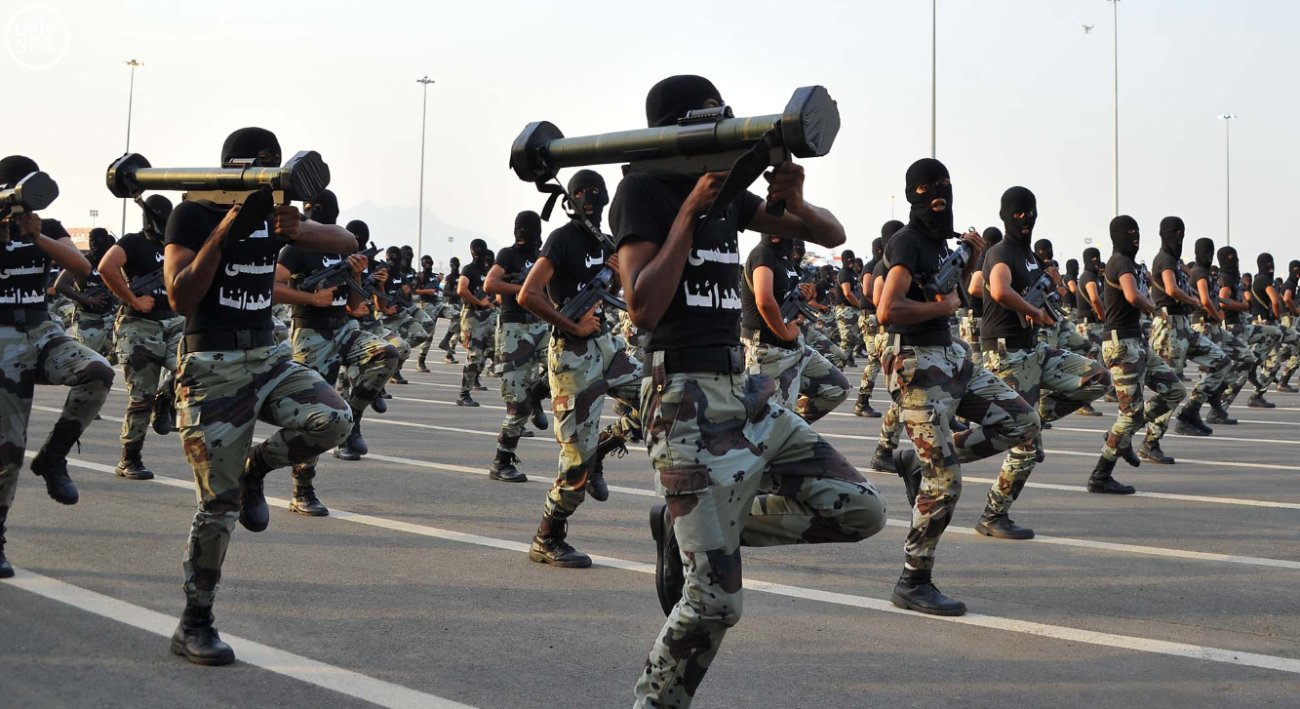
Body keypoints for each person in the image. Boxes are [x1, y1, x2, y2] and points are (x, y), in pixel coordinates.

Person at [616, 76, 886, 708]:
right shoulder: (642, 192)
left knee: (860, 509)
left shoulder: (732, 198)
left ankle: (693, 530)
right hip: (681, 396)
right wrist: (690, 211)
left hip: (748, 392)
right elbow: (644, 305)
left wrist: (797, 198)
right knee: (714, 603)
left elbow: (830, 235)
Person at [162, 128, 356, 665]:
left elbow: (347, 243)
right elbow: (180, 297)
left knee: (335, 420)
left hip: (268, 358)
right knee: (217, 509)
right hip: (212, 367)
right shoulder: (192, 214)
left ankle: (256, 468)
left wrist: (300, 228)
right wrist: (229, 226)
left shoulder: (278, 217)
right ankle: (194, 621)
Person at [876, 158, 1039, 616]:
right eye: (927, 188)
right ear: (912, 194)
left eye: (944, 185)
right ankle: (913, 580)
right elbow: (888, 310)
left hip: (952, 358)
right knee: (945, 481)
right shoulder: (906, 243)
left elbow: (965, 293)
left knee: (1024, 420)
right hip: (916, 363)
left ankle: (917, 458)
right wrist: (942, 307)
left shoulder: (942, 245)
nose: (938, 195)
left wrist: (972, 257)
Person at [517, 169, 643, 566]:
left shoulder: (604, 242)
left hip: (606, 345)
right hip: (572, 356)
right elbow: (527, 294)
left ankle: (604, 449)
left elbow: (613, 294)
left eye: (597, 192)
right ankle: (547, 536)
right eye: (583, 193)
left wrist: (620, 276)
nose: (591, 198)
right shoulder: (562, 239)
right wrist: (570, 324)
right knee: (575, 460)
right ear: (571, 200)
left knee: (660, 399)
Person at [0, 155, 117, 579]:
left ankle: (53, 456)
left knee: (98, 371)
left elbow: (81, 269)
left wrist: (36, 237)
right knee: (8, 450)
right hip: (1, 338)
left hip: (41, 328)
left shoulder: (46, 228)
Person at [975, 187, 1108, 539]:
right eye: (1018, 212)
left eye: (1030, 211)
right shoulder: (1001, 252)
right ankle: (992, 513)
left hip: (1034, 351)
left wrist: (1051, 290)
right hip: (1008, 353)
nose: (1025, 218)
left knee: (1097, 378)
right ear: (1005, 215)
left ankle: (1033, 420)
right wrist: (1035, 312)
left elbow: (1045, 296)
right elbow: (1001, 290)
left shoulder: (1030, 256)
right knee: (1024, 446)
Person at [274, 194, 399, 511]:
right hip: (311, 334)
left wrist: (357, 273)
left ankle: (354, 417)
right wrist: (308, 297)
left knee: (387, 353)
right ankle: (302, 489)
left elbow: (355, 307)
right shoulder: (295, 249)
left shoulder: (341, 245)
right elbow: (271, 286)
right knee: (315, 415)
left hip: (344, 328)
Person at [1087, 216, 1186, 491]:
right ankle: (1101, 475)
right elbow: (1132, 296)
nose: (1135, 237)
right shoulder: (1119, 261)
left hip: (1136, 343)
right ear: (1117, 235)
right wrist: (1155, 310)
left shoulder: (1131, 264)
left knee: (1175, 391)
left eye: (1137, 232)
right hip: (1121, 346)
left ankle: (1121, 436)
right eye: (1129, 232)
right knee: (1129, 416)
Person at [99, 195, 184, 479]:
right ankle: (130, 458)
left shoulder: (175, 243)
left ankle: (166, 397)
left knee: (195, 367)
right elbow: (106, 267)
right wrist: (133, 300)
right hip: (139, 327)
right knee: (140, 398)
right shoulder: (132, 241)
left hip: (174, 322)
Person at [740, 232, 850, 420]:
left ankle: (790, 431)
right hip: (769, 350)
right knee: (770, 424)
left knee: (838, 389)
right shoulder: (763, 254)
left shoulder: (784, 257)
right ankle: (781, 434)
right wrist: (785, 333)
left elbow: (783, 296)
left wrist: (803, 297)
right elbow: (765, 300)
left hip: (794, 348)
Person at [1145, 218, 1232, 438]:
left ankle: (1190, 412)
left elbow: (1183, 288)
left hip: (1183, 326)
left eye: (1181, 232)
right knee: (1170, 387)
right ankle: (1149, 438)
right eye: (1174, 232)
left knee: (1220, 361)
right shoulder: (1164, 259)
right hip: (1168, 326)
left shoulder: (1175, 262)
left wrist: (1192, 298)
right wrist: (1195, 302)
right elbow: (1172, 290)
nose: (1178, 237)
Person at [482, 211, 551, 482]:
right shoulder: (508, 255)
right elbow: (490, 283)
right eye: (520, 229)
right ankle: (502, 463)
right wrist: (523, 288)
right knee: (517, 407)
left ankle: (537, 393)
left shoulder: (544, 255)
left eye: (527, 229)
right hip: (512, 328)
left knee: (569, 361)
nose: (522, 234)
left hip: (541, 325)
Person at [57, 227, 117, 357]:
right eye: (91, 240)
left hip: (111, 317)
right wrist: (88, 300)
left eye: (99, 240)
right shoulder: (82, 262)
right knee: (89, 358)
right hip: (87, 318)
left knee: (122, 351)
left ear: (106, 242)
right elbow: (60, 285)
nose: (94, 244)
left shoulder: (112, 262)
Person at [456, 239, 495, 406]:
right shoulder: (469, 269)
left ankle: (477, 378)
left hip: (487, 316)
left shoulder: (486, 270)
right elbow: (461, 289)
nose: (478, 252)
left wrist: (490, 302)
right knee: (474, 355)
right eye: (476, 249)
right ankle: (464, 394)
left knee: (495, 349)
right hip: (472, 316)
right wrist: (479, 302)